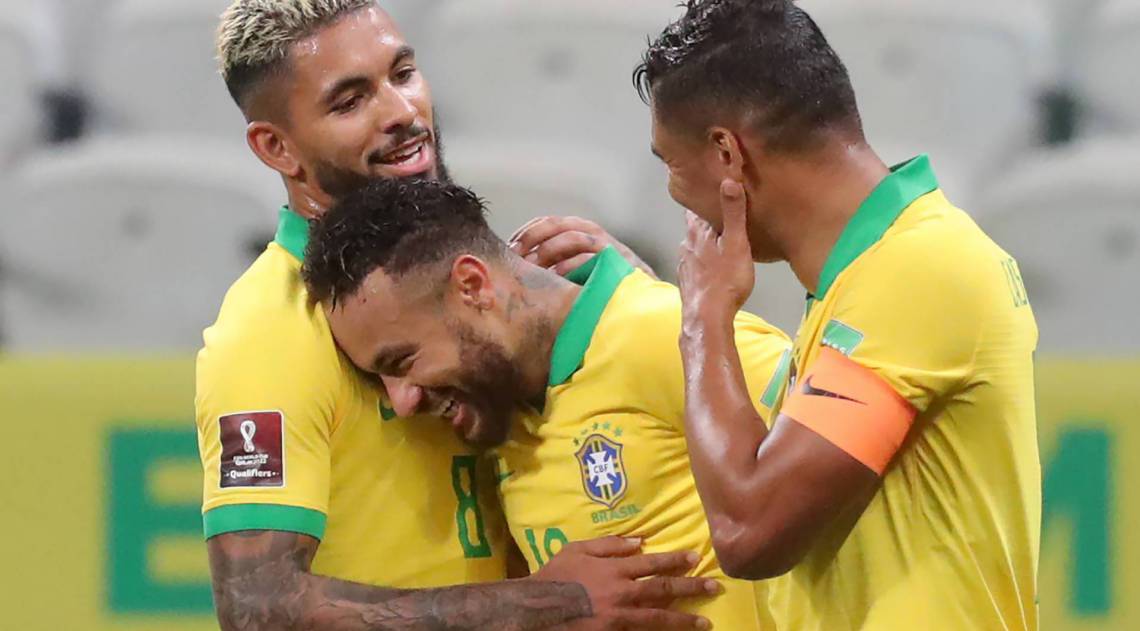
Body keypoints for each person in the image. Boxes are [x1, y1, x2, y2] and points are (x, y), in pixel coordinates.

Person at [196, 1, 710, 629]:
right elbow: (256, 606)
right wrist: (549, 603)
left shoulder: (459, 275)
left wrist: (632, 302)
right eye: (350, 102)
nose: (402, 113)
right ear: (276, 146)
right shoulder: (270, 330)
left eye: (403, 73)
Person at [634, 1, 1042, 629]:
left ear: (726, 154)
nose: (674, 195)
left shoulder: (918, 268)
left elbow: (749, 529)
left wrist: (703, 319)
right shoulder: (867, 279)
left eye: (669, 163)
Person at [301, 177, 795, 630]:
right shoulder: (499, 417)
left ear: (472, 286)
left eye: (403, 360)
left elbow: (850, 475)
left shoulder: (663, 334)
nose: (402, 401)